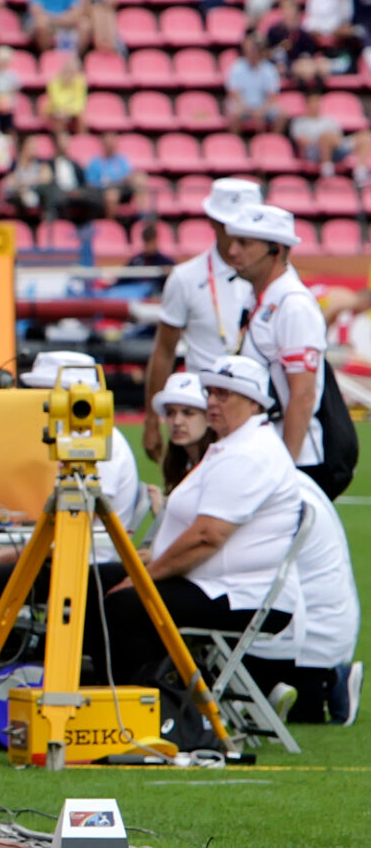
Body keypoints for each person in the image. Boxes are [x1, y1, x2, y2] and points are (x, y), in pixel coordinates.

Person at [100, 353, 302, 693]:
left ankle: (147, 706)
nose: (212, 401)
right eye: (210, 392)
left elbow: (207, 537)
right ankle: (105, 695)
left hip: (239, 594)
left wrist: (144, 578)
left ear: (253, 404)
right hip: (216, 583)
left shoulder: (249, 452)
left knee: (124, 604)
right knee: (96, 579)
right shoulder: (234, 445)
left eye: (224, 394)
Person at [224, 203, 345, 496]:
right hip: (270, 451)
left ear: (275, 250)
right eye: (233, 241)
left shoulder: (293, 305)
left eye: (245, 243)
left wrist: (285, 468)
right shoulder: (263, 299)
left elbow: (302, 396)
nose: (232, 251)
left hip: (298, 459)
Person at [142, 177, 258, 456]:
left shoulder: (273, 278)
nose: (237, 234)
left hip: (257, 412)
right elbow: (164, 351)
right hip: (201, 415)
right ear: (213, 223)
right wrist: (151, 421)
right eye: (230, 225)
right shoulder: (186, 278)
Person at [248, 470, 362, 726]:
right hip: (316, 630)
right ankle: (324, 684)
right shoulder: (285, 480)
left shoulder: (275, 489)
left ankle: (328, 682)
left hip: (306, 638)